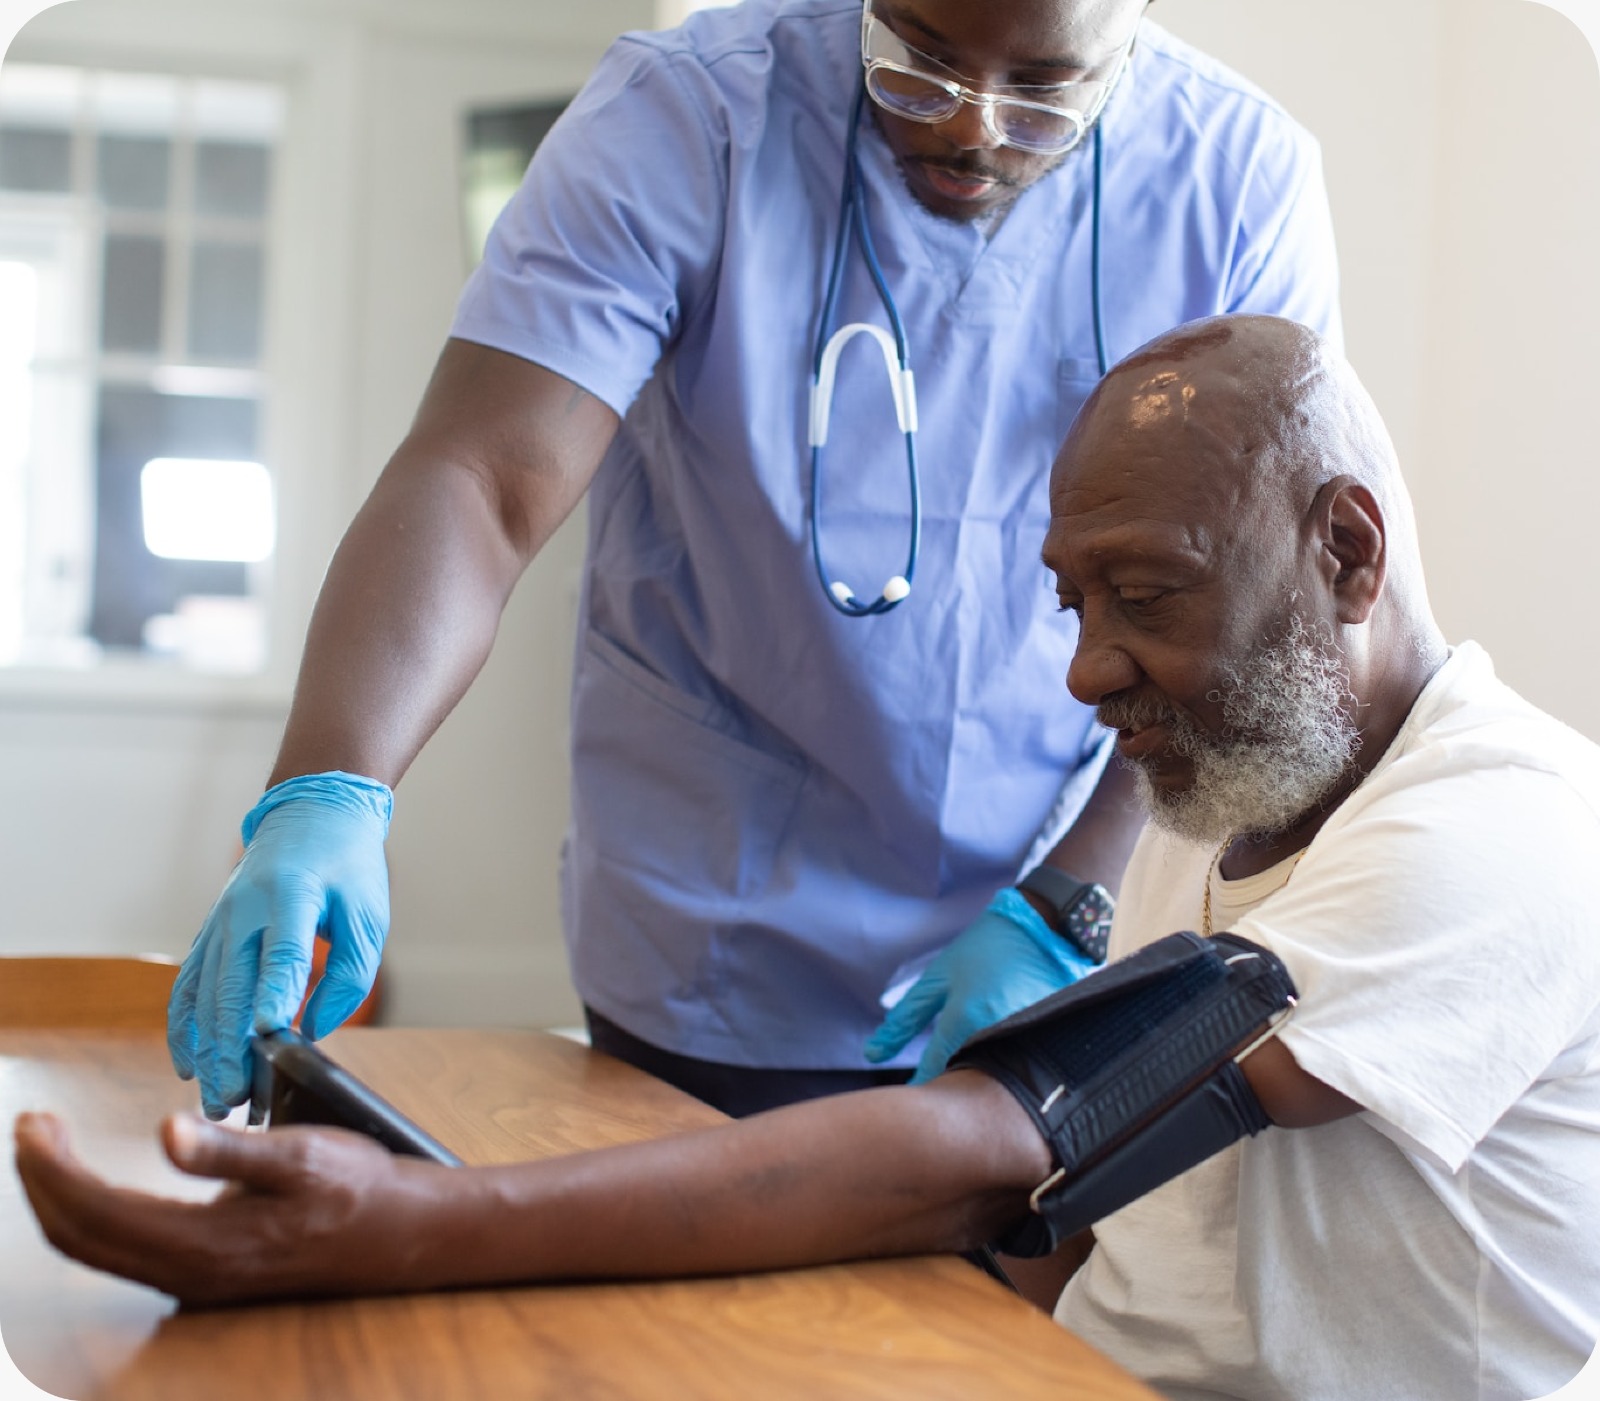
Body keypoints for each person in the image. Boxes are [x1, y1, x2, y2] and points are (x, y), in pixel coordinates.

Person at [18, 315, 1600, 1399]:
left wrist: (420, 1225)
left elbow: (1023, 1132)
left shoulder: (1508, 831)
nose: (1085, 670)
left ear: (1348, 552)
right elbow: (1063, 1216)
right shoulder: (1237, 800)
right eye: (1073, 602)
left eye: (1151, 596)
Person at [166, 0, 1342, 1123]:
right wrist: (333, 786)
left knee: (968, 1317)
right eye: (917, 61)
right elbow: (483, 476)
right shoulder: (685, 116)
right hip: (713, 923)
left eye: (1043, 94)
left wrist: (1068, 906)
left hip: (1053, 905)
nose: (969, 129)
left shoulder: (1234, 180)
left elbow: (1243, 620)